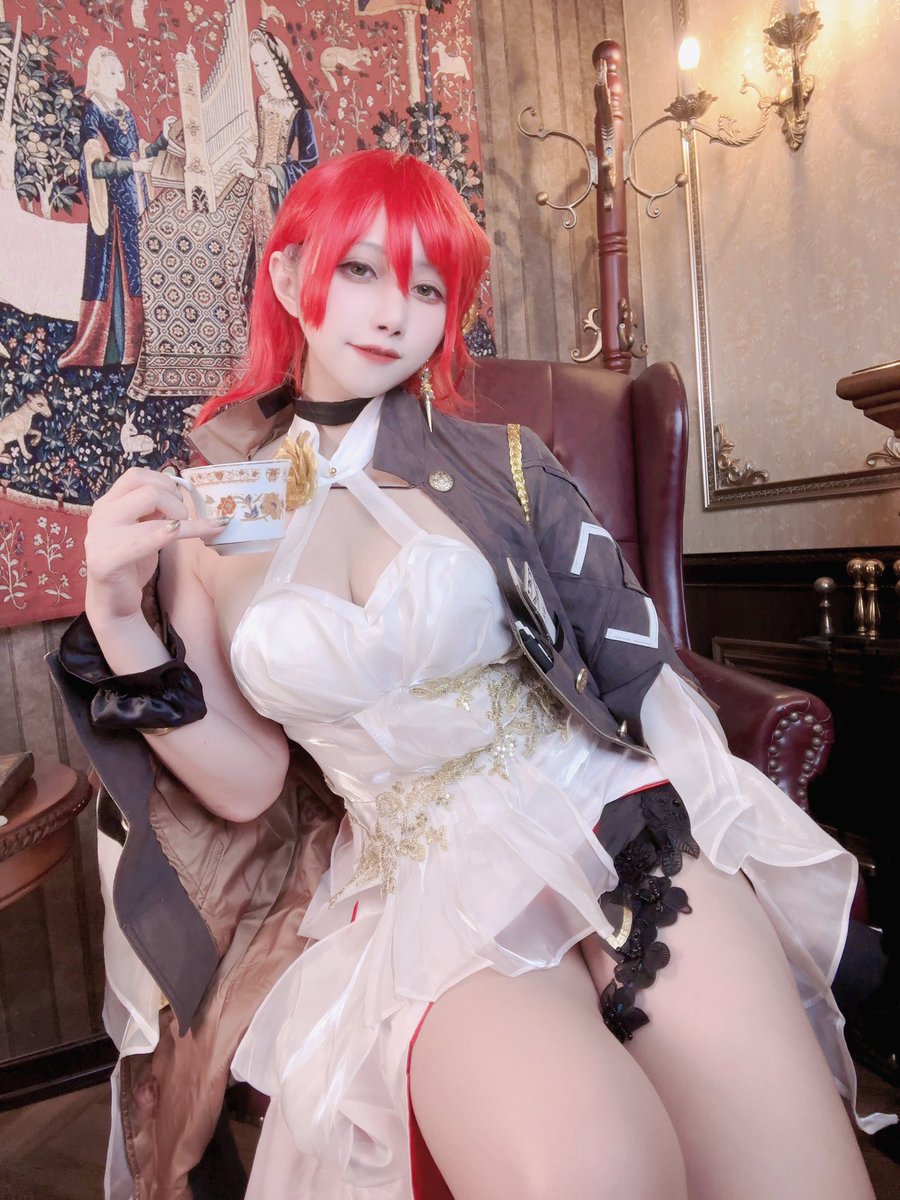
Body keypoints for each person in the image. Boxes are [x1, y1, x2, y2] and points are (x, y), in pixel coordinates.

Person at [54, 149, 889, 1200]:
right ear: (289, 277)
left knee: (800, 1180)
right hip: (422, 883)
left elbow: (637, 667)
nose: (392, 313)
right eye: (361, 270)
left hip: (605, 814)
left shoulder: (503, 466)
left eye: (427, 287)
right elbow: (249, 781)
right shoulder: (211, 516)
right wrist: (114, 616)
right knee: (595, 1172)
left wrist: (728, 816)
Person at [58, 47, 171, 370]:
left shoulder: (124, 110)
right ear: (97, 74)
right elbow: (93, 165)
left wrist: (163, 138)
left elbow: (140, 152)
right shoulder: (93, 111)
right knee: (117, 274)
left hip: (135, 200)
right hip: (113, 209)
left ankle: (140, 347)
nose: (119, 77)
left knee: (139, 271)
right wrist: (130, 168)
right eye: (112, 71)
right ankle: (113, 349)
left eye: (120, 71)